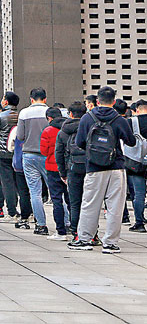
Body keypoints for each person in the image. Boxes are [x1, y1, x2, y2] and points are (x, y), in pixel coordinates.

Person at [70, 86, 136, 253]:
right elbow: (131, 141)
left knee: (90, 204)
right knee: (115, 206)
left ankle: (84, 239)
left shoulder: (87, 118)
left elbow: (79, 142)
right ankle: (110, 243)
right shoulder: (119, 120)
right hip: (116, 167)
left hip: (93, 167)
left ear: (97, 101)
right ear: (113, 102)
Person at [0, 91, 33, 228]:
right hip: (18, 152)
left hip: (2, 153)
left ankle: (12, 212)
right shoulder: (21, 115)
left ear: (6, 102)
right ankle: (28, 212)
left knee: (7, 183)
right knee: (21, 184)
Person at [17, 88, 51, 235]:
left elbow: (20, 136)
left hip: (30, 155)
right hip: (48, 155)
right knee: (55, 190)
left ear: (31, 99)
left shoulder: (24, 113)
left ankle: (41, 225)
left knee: (34, 192)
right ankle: (66, 223)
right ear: (45, 99)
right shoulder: (51, 112)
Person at [55, 101, 88, 242]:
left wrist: (62, 173)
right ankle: (92, 233)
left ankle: (76, 232)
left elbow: (59, 153)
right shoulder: (89, 127)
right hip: (90, 168)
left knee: (74, 203)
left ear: (70, 114)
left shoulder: (63, 131)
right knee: (89, 203)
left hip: (72, 168)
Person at [40, 106, 70, 240]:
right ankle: (75, 229)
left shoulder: (48, 131)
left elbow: (44, 151)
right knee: (71, 200)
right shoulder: (68, 129)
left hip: (52, 169)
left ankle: (60, 231)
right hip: (68, 168)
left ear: (49, 118)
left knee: (57, 200)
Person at [125, 100, 147, 233]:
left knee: (139, 194)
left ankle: (139, 222)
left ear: (137, 110)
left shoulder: (131, 122)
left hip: (136, 162)